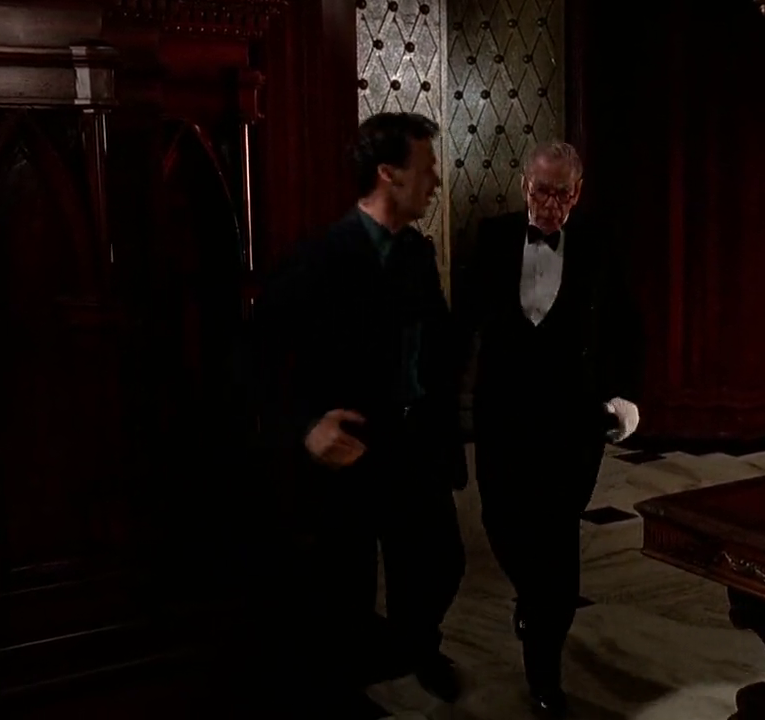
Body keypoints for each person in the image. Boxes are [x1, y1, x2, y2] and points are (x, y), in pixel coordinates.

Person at [260, 112, 467, 707]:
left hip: (414, 444)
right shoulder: (319, 257)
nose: (435, 181)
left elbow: (435, 345)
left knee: (438, 564)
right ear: (387, 173)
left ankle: (419, 646)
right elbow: (256, 360)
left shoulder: (417, 254)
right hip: (350, 448)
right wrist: (305, 428)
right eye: (426, 169)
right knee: (344, 585)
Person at [459, 141, 644, 716]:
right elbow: (461, 321)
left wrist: (623, 396)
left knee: (557, 539)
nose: (550, 204)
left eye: (562, 193)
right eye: (541, 190)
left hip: (572, 418)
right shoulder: (492, 238)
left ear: (577, 193)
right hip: (503, 416)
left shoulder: (599, 242)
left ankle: (544, 675)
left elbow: (624, 324)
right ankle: (532, 599)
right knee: (501, 522)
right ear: (524, 186)